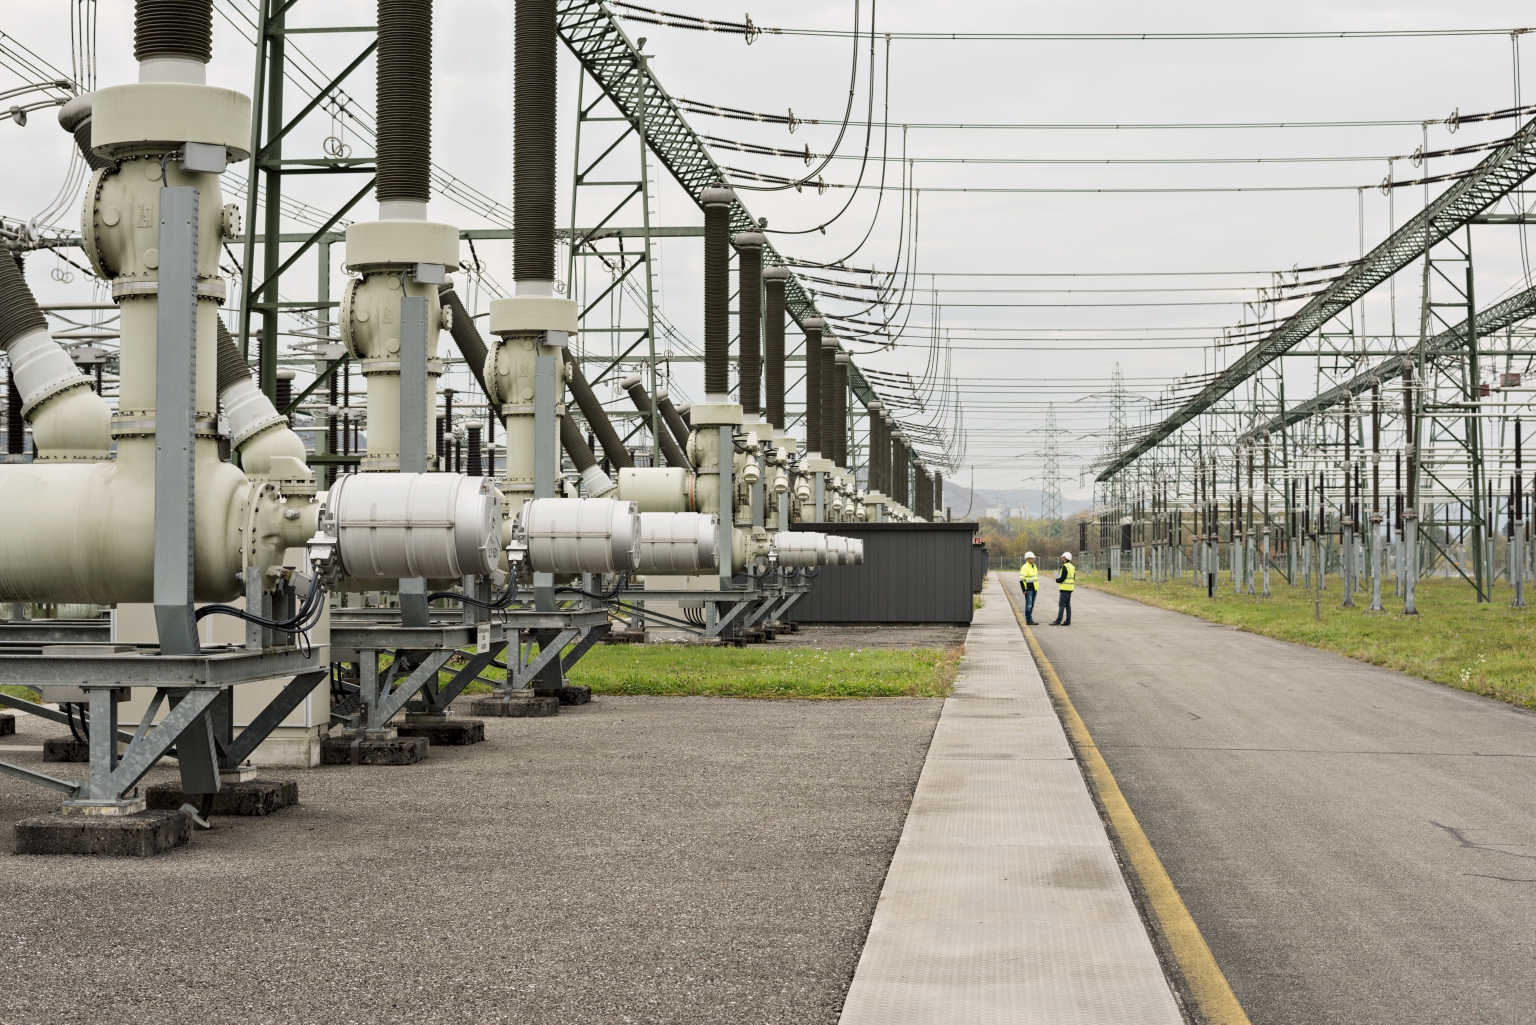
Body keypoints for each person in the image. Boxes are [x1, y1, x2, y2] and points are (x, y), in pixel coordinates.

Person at [1050, 551, 1075, 626]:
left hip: (1064, 588)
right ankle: (1068, 620)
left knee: (1061, 605)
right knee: (1067, 605)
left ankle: (1058, 620)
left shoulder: (1065, 566)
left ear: (1066, 558)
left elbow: (1063, 578)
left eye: (1063, 557)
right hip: (1070, 588)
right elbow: (1073, 577)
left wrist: (1057, 580)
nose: (1062, 559)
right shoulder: (1072, 566)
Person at [1018, 551, 1040, 624]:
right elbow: (1021, 580)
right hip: (1029, 589)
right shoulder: (1025, 567)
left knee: (1032, 604)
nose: (1034, 559)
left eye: (1034, 558)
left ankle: (1030, 618)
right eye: (1032, 558)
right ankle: (1029, 620)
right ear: (1028, 559)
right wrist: (1024, 590)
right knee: (1029, 604)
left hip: (1034, 588)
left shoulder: (1034, 566)